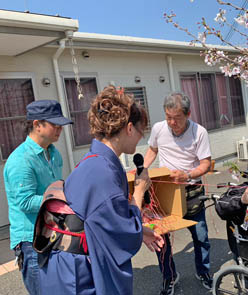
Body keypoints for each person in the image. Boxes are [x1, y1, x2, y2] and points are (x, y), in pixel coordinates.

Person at [38, 86, 163, 295]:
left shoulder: (95, 161)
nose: (142, 138)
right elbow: (125, 235)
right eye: (142, 132)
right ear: (129, 128)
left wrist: (140, 232)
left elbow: (110, 223)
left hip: (65, 263)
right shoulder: (102, 172)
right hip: (77, 273)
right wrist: (140, 191)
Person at [144, 92, 213, 295]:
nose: (172, 122)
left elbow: (206, 164)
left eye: (177, 118)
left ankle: (204, 272)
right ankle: (169, 277)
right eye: (168, 117)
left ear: (188, 113)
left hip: (191, 190)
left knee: (200, 236)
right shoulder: (158, 128)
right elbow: (152, 149)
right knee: (161, 238)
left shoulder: (199, 132)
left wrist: (188, 174)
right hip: (164, 191)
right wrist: (142, 170)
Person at [3, 99, 73, 295]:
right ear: (37, 124)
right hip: (31, 240)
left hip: (52, 231)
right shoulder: (21, 160)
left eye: (61, 125)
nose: (60, 129)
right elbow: (25, 202)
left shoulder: (53, 153)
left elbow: (56, 187)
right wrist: (62, 199)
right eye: (54, 124)